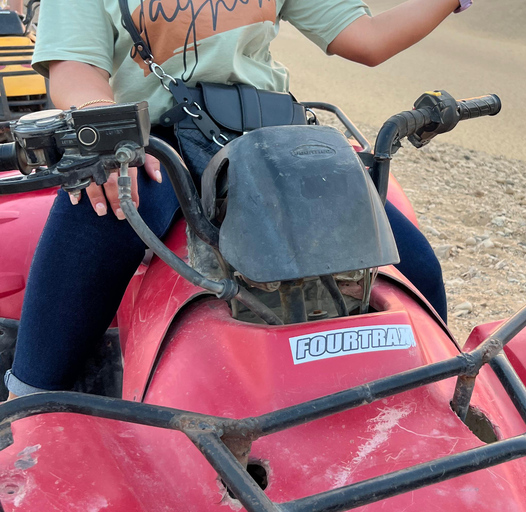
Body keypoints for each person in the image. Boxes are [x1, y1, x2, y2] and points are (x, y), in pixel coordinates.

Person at [4, 0, 473, 399]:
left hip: (268, 136)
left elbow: (366, 38)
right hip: (154, 141)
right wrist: (105, 129)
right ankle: (28, 406)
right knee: (104, 207)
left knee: (411, 263)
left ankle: (437, 394)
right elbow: (76, 70)